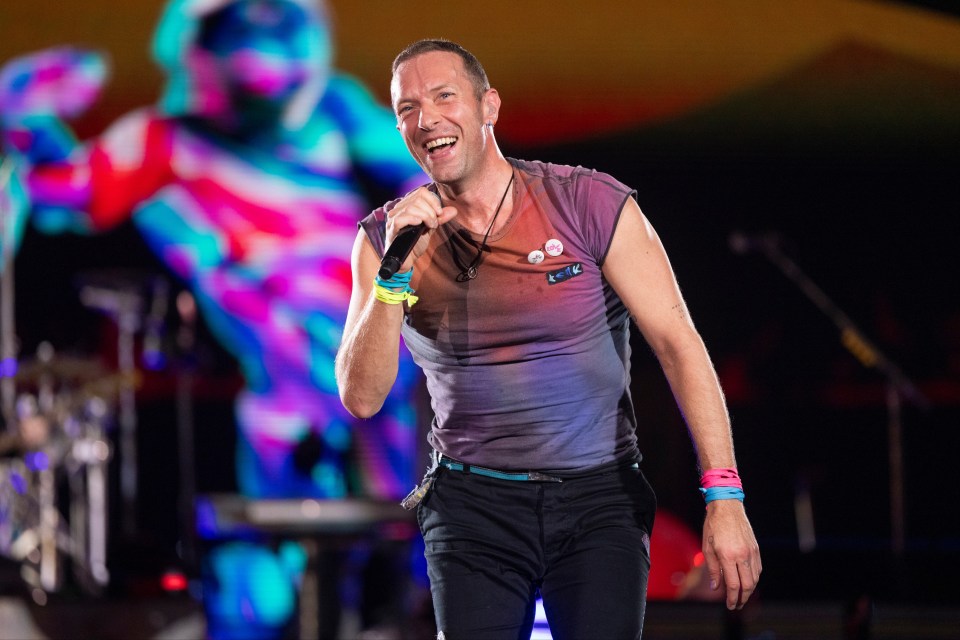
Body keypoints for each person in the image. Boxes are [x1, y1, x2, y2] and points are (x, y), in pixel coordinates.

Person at [1, 1, 427, 637]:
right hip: (285, 371)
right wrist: (23, 111)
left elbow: (427, 176)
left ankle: (400, 607)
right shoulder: (167, 140)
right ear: (200, 46)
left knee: (407, 510)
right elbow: (68, 195)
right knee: (283, 531)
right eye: (242, 29)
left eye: (280, 26)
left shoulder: (335, 108)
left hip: (386, 343)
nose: (265, 45)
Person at [336, 39, 762, 639]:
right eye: (407, 108)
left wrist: (724, 497)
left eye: (443, 97)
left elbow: (678, 344)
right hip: (470, 508)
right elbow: (361, 397)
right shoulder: (385, 238)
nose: (425, 118)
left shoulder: (587, 203)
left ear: (490, 107)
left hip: (598, 500)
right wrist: (393, 278)